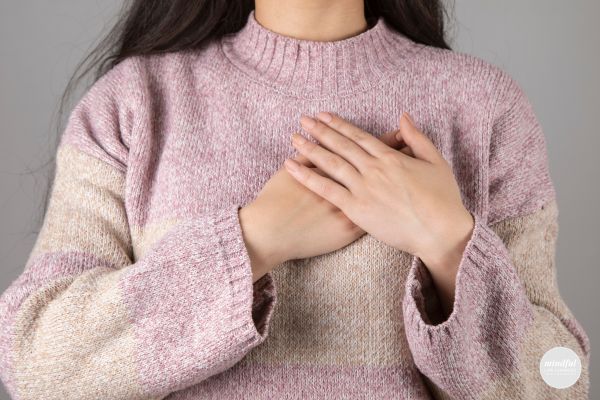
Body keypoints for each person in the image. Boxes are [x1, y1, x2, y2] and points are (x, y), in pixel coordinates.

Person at [0, 1, 590, 399]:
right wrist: (251, 244)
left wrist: (447, 244)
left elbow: (561, 379)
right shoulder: (134, 104)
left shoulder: (485, 107)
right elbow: (33, 363)